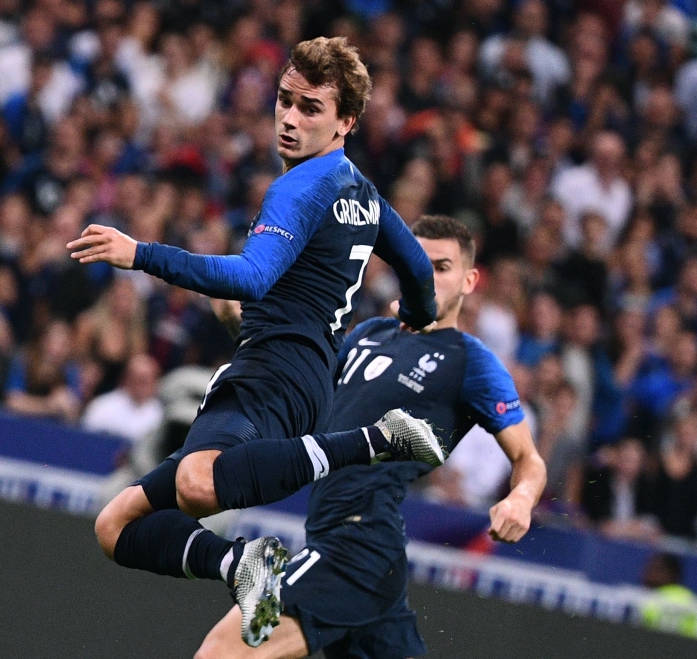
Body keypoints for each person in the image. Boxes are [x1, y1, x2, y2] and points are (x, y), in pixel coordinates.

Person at [71, 37, 440, 647]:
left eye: (311, 108)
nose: (291, 119)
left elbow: (251, 276)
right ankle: (237, 565)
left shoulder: (301, 188)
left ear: (346, 122)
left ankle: (376, 439)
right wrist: (421, 315)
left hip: (275, 373)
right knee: (116, 524)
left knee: (196, 483)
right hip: (298, 376)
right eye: (285, 101)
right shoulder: (364, 195)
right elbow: (420, 274)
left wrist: (140, 253)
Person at [195, 215, 546, 659]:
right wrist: (237, 323)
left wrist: (521, 499)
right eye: (417, 264)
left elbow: (529, 460)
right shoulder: (368, 334)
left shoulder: (471, 362)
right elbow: (299, 387)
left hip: (356, 548)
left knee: (223, 654)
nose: (426, 277)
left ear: (469, 281)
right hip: (354, 551)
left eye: (441, 267)